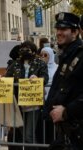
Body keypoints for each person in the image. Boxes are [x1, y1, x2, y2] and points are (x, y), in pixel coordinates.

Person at [44, 12, 83, 150]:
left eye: (64, 29)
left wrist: (66, 112)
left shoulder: (80, 55)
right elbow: (58, 86)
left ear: (75, 32)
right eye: (58, 29)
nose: (59, 33)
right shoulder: (66, 55)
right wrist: (48, 109)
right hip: (66, 132)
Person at [5, 40, 49, 150]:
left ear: (33, 51)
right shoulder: (15, 64)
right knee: (24, 135)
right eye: (22, 49)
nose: (24, 52)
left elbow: (45, 78)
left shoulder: (40, 63)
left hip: (33, 104)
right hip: (18, 104)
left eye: (27, 49)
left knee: (29, 135)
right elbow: (7, 77)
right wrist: (0, 79)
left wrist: (38, 79)